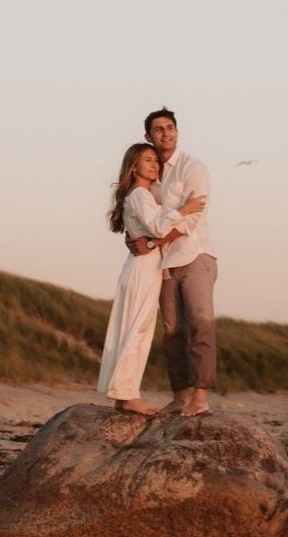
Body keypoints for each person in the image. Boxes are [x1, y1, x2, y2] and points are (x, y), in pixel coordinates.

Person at [97, 142, 206, 415]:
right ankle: (129, 396)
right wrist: (185, 209)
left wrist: (150, 240)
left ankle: (123, 395)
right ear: (134, 166)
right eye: (147, 160)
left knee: (132, 330)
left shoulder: (142, 195)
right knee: (138, 331)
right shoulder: (140, 195)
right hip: (143, 269)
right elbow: (157, 226)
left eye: (156, 161)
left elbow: (149, 231)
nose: (154, 164)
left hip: (141, 265)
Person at [127, 107, 217, 417]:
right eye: (158, 129)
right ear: (148, 136)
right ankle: (180, 395)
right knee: (171, 332)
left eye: (169, 127)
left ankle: (201, 397)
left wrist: (155, 240)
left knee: (200, 324)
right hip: (163, 265)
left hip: (195, 255)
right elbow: (143, 217)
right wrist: (135, 237)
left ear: (177, 131)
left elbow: (194, 217)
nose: (165, 133)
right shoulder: (150, 173)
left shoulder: (193, 167)